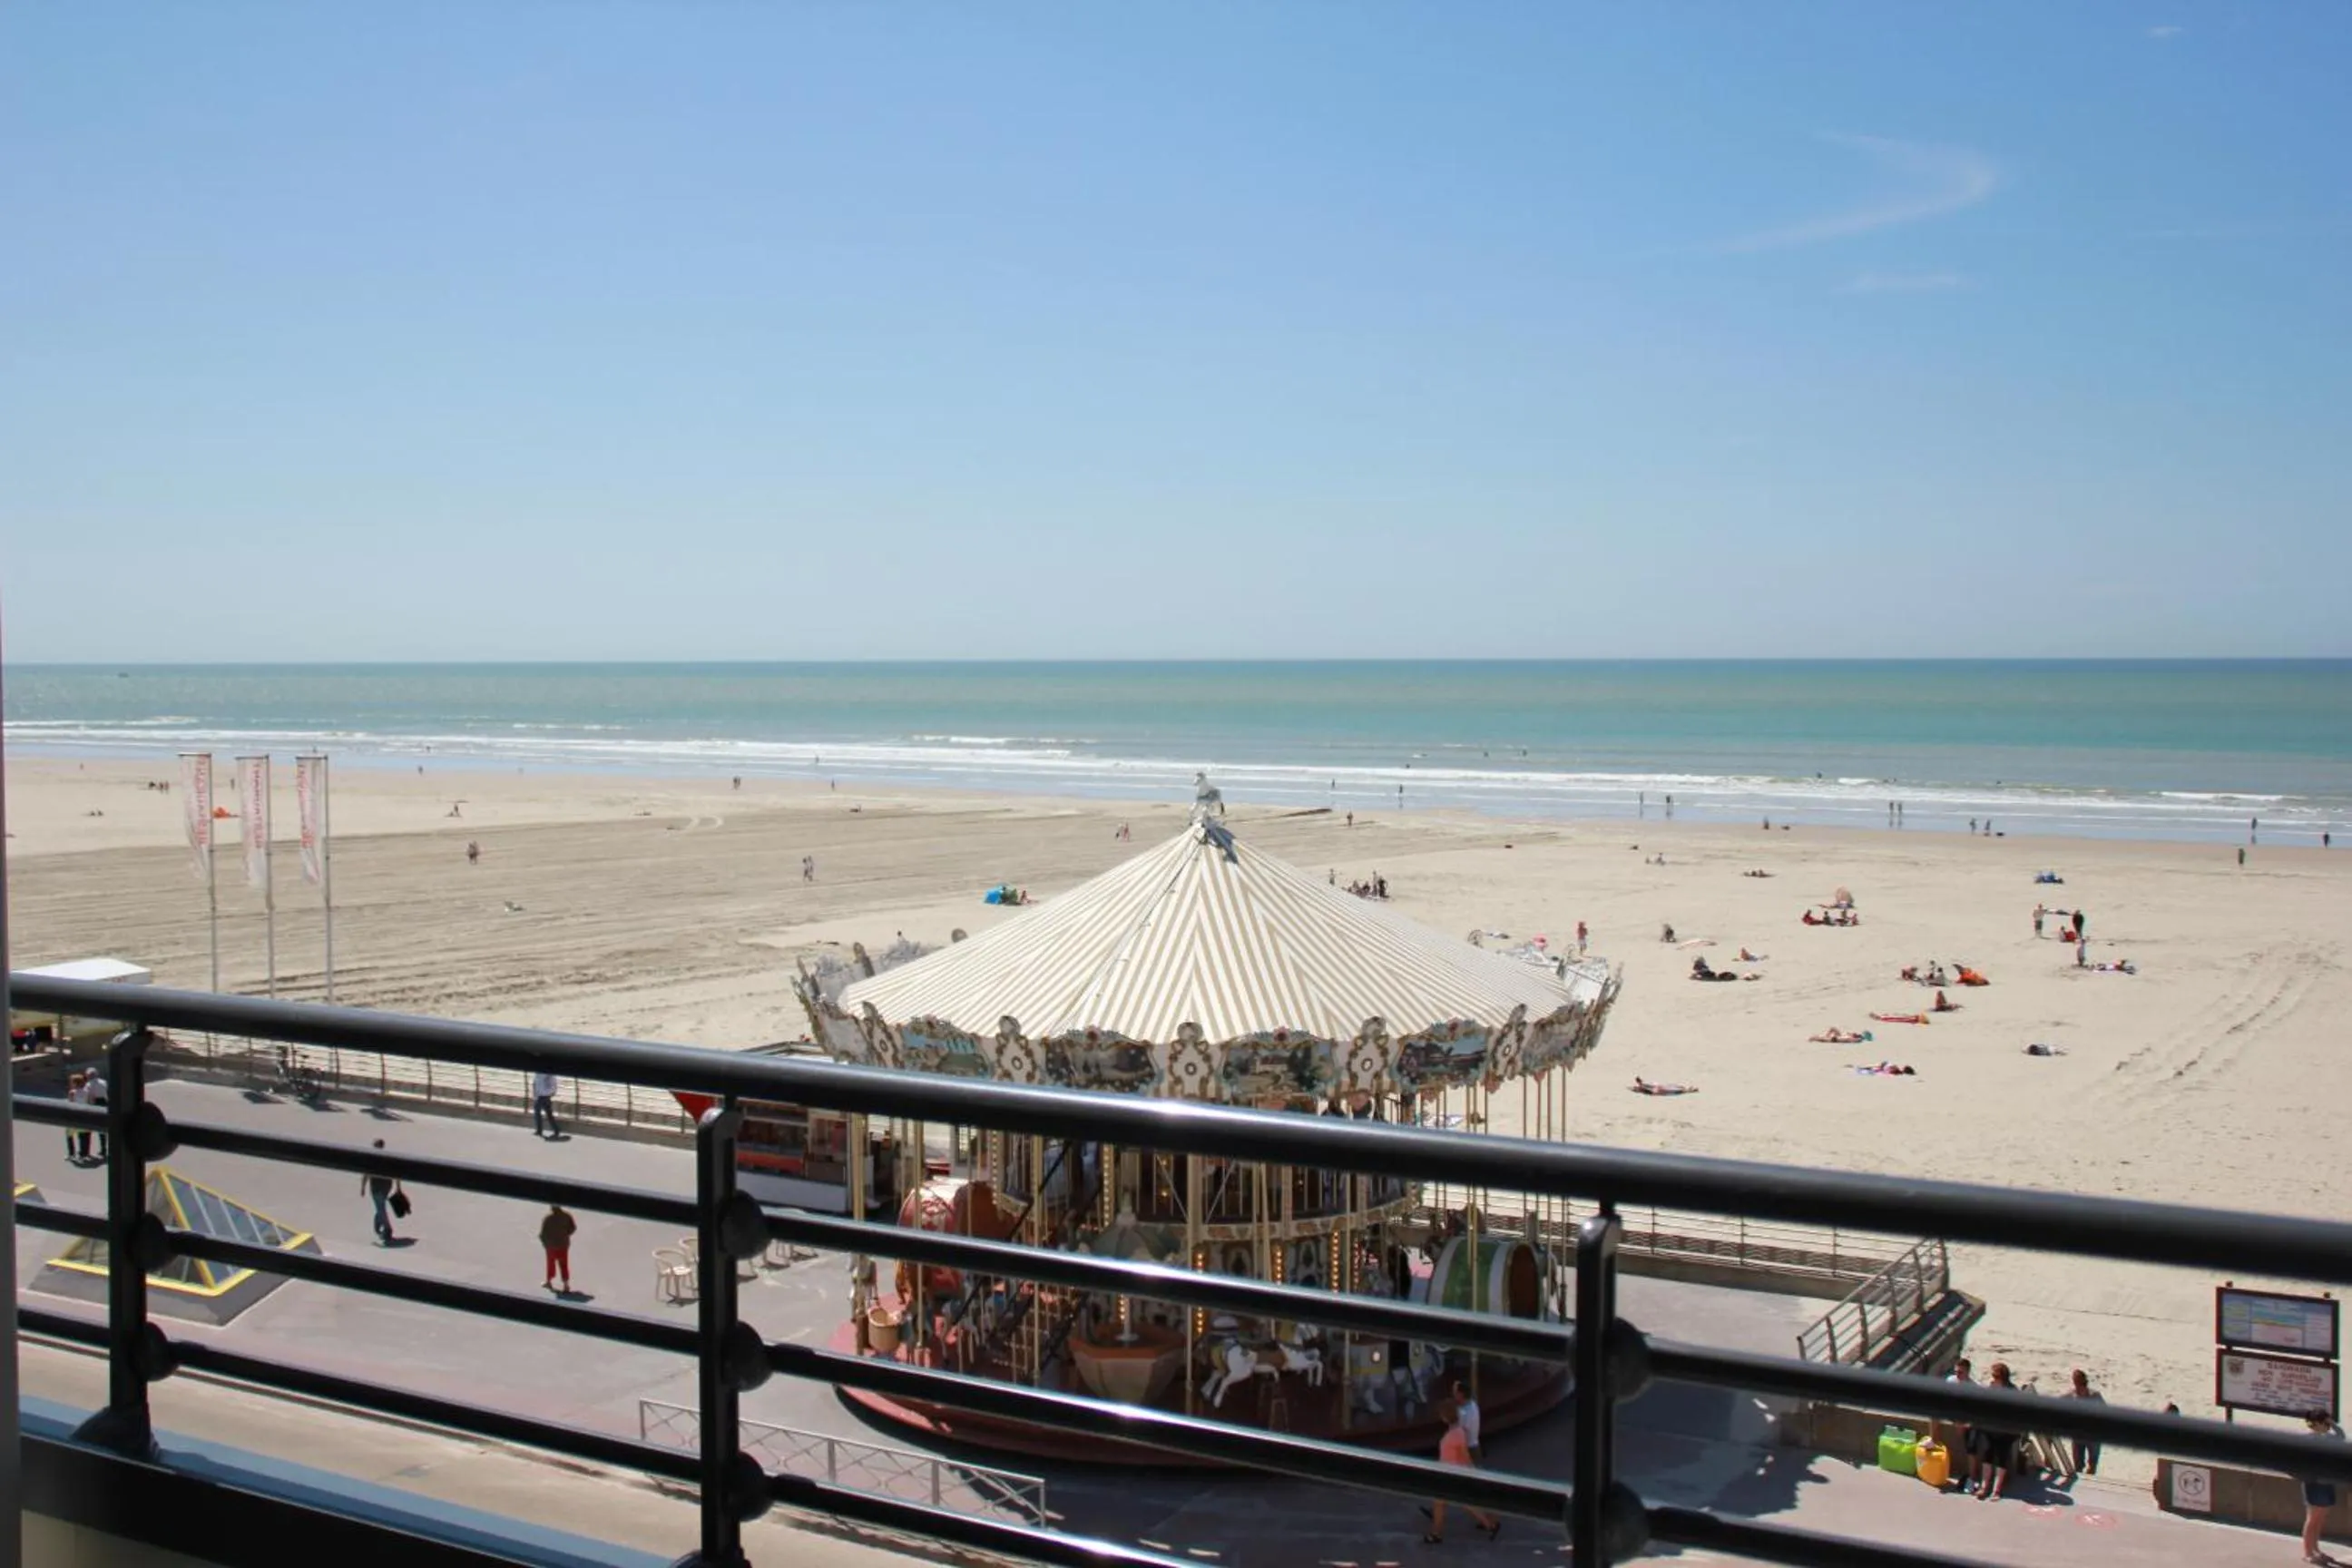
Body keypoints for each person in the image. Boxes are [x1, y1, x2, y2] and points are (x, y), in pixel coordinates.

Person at [1421, 1400, 1500, 1544]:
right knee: (1454, 1503)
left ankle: (1436, 1534)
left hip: (1449, 1474)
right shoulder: (1459, 1432)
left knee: (1446, 1503)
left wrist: (1471, 1469)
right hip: (1451, 1472)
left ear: (1445, 1417)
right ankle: (1489, 1524)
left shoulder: (1453, 1435)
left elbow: (1464, 1456)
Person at [1971, 1362, 2022, 1499]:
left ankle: (1997, 1490)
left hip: (2005, 1431)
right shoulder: (1991, 1388)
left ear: (2002, 1377)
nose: (1992, 1378)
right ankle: (1984, 1487)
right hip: (1990, 1428)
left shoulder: (2012, 1391)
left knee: (2001, 1459)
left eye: (1995, 1376)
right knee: (1987, 1456)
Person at [2305, 1408, 2346, 1564]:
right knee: (2312, 1518)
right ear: (2316, 1424)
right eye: (2325, 1423)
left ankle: (2316, 1549)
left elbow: (2341, 1435)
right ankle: (2308, 1552)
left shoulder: (2328, 1438)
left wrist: (2330, 1422)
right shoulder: (2308, 1440)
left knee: (2320, 1518)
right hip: (2314, 1484)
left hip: (2327, 1483)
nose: (2328, 1426)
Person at [1940, 1358, 1979, 1494]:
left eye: (1960, 1372)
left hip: (1966, 1418)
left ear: (1968, 1372)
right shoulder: (1951, 1380)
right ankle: (1933, 1440)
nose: (1957, 1375)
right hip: (1953, 1414)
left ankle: (1972, 1478)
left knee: (1972, 1446)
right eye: (1956, 1371)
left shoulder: (1973, 1387)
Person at [2063, 1368, 2103, 1477]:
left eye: (2076, 1381)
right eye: (2074, 1381)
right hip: (2077, 1435)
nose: (2075, 1384)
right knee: (2078, 1465)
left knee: (2093, 1464)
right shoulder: (2071, 1396)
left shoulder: (2095, 1396)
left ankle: (2089, 1483)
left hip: (2093, 1436)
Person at [362, 1141, 400, 1245]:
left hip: (377, 1187)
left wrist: (363, 1187)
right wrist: (398, 1187)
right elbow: (396, 1173)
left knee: (380, 1207)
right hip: (386, 1186)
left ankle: (387, 1228)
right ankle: (379, 1221)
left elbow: (366, 1174)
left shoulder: (371, 1159)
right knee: (380, 1206)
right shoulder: (387, 1158)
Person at [540, 1203, 577, 1293]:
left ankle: (549, 1282)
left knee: (550, 1264)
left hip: (551, 1246)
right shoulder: (567, 1216)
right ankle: (566, 1285)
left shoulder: (548, 1218)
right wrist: (565, 1234)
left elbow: (543, 1233)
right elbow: (573, 1228)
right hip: (563, 1244)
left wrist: (545, 1243)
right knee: (564, 1264)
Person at [1451, 1379, 1484, 1464]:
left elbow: (1462, 1432)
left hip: (1468, 1449)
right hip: (1472, 1447)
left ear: (1461, 1394)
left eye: (1455, 1392)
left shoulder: (1466, 1412)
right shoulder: (1472, 1405)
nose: (1453, 1394)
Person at [64, 1072, 91, 1161]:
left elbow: (70, 1104)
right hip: (84, 1114)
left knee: (69, 1135)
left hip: (74, 1115)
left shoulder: (72, 1092)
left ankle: (72, 1153)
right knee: (83, 1135)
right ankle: (84, 1154)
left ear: (75, 1083)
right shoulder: (87, 1092)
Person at [86, 1066, 109, 1161]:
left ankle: (86, 1150)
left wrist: (90, 1107)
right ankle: (104, 1149)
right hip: (104, 1102)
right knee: (103, 1129)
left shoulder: (89, 1085)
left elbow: (90, 1097)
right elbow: (106, 1093)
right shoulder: (104, 1082)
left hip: (95, 1103)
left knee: (92, 1127)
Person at [532, 1069, 561, 1139]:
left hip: (544, 1096)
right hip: (540, 1096)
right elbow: (535, 1083)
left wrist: (551, 1092)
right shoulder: (538, 1072)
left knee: (538, 1112)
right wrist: (535, 1094)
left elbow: (553, 1083)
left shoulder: (549, 1074)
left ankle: (540, 1130)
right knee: (547, 1114)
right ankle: (555, 1130)